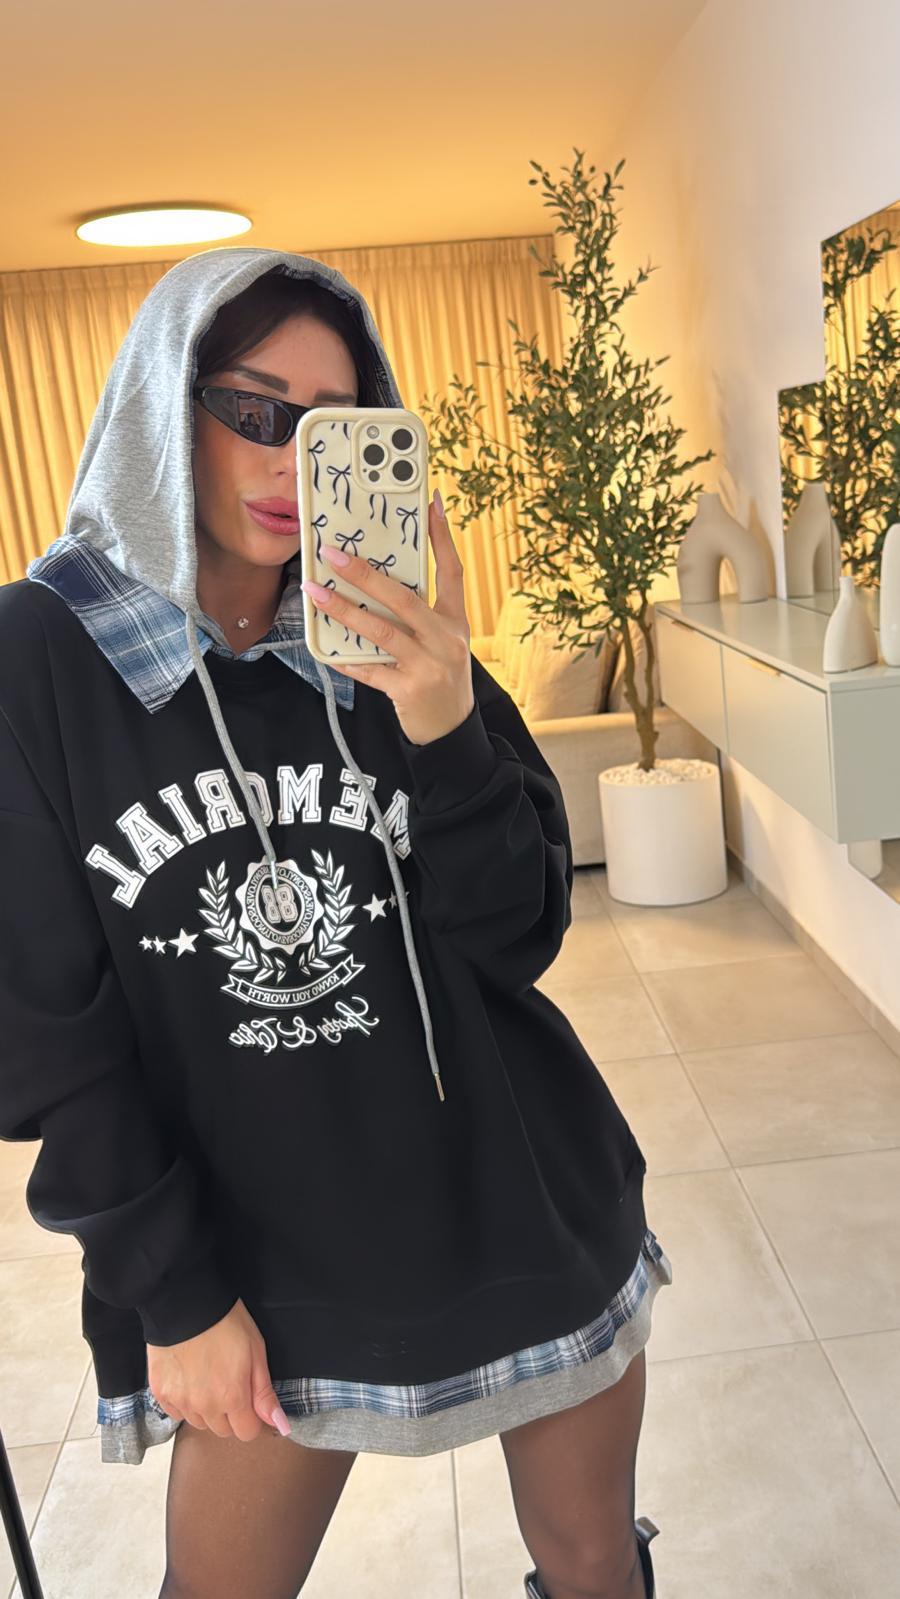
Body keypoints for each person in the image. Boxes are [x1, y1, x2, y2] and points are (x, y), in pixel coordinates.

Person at [0, 247, 672, 1599]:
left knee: (595, 1565)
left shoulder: (393, 634)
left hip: (517, 1194)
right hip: (258, 1247)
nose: (290, 458)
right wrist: (172, 1291)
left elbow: (519, 937)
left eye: (335, 425)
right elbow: (45, 1037)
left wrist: (445, 715)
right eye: (254, 410)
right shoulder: (39, 658)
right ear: (163, 406)